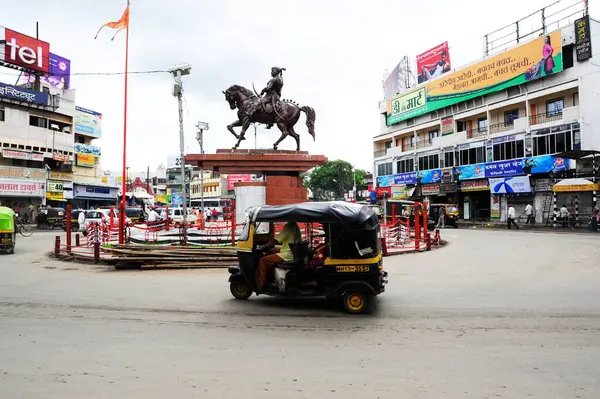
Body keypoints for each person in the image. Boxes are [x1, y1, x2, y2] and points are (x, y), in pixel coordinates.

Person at [256, 222, 302, 291]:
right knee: (271, 250)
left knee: (262, 260)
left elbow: (275, 241)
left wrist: (261, 248)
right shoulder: (295, 225)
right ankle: (271, 273)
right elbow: (282, 239)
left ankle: (261, 285)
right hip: (292, 251)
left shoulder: (288, 226)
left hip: (287, 254)